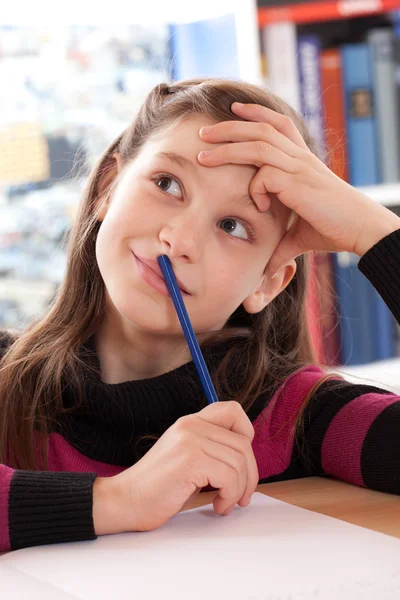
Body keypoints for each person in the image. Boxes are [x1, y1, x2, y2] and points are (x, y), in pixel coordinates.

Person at [1, 78, 400, 553]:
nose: (180, 240)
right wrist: (118, 500)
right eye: (167, 184)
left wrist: (375, 231)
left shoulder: (294, 417)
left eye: (233, 226)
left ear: (266, 282)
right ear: (110, 186)